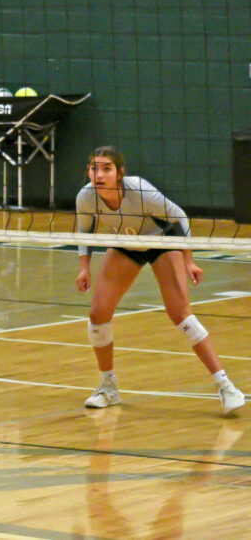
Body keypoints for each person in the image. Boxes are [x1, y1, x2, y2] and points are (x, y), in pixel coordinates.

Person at [75, 146, 245, 415]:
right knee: (98, 314)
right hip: (125, 244)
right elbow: (83, 232)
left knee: (179, 313)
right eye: (94, 168)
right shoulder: (85, 198)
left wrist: (188, 259)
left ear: (119, 173)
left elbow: (180, 217)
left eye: (106, 168)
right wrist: (84, 268)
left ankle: (226, 386)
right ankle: (108, 387)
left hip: (162, 240)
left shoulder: (140, 190)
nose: (99, 174)